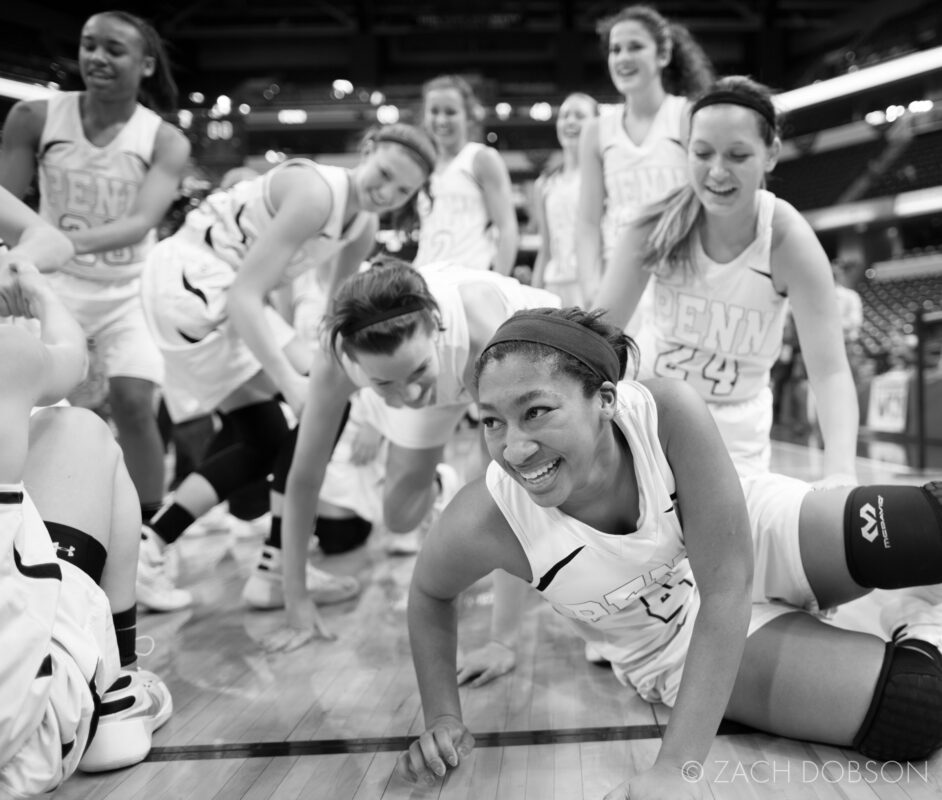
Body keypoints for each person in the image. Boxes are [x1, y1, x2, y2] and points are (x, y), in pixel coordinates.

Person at [395, 307, 942, 799]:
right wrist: (443, 713)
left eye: (536, 411)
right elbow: (428, 592)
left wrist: (678, 765)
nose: (513, 447)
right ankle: (919, 618)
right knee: (916, 711)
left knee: (928, 527)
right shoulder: (487, 516)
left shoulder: (666, 411)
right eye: (492, 420)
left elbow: (726, 586)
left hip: (741, 537)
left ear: (606, 400)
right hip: (669, 640)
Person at [136, 123, 436, 613]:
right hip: (194, 284)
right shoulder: (317, 194)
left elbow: (333, 318)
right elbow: (245, 296)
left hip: (207, 287)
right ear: (366, 150)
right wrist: (294, 385)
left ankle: (151, 546)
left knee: (263, 439)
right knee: (326, 398)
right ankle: (278, 568)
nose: (386, 192)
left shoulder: (359, 227)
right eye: (383, 174)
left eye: (402, 189)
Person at [269, 257, 560, 651]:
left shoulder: (484, 333)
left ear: (436, 326)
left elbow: (513, 486)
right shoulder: (333, 363)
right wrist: (296, 601)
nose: (406, 395)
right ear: (354, 363)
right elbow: (303, 478)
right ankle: (442, 486)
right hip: (446, 376)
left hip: (514, 360)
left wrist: (502, 642)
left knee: (512, 481)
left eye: (416, 371)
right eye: (383, 383)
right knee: (399, 518)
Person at [599, 75, 859, 483]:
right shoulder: (653, 225)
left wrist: (841, 473)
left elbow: (829, 372)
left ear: (770, 154)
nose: (717, 172)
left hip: (739, 434)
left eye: (738, 155)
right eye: (702, 153)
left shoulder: (787, 239)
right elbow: (599, 337)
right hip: (652, 416)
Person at [0, 199, 173, 793]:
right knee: (82, 430)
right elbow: (71, 362)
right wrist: (38, 293)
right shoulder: (11, 354)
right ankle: (114, 687)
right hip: (24, 728)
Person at [0, 10, 192, 533]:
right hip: (56, 289)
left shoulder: (164, 139)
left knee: (134, 403)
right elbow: (7, 202)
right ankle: (42, 530)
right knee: (50, 412)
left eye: (113, 49)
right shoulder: (34, 117)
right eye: (88, 45)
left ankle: (151, 541)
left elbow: (139, 224)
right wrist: (31, 253)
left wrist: (56, 243)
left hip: (131, 289)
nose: (97, 58)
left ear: (146, 64)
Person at [577, 4, 713, 313]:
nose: (623, 58)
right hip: (618, 278)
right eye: (615, 49)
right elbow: (587, 221)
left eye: (635, 47)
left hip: (681, 275)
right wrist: (590, 287)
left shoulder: (687, 115)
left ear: (663, 55)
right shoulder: (596, 131)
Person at [413, 74, 519, 275]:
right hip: (425, 279)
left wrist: (498, 282)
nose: (441, 120)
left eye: (451, 112)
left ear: (469, 116)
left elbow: (507, 228)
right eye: (434, 111)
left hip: (470, 279)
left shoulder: (481, 158)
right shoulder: (423, 165)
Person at [530, 92, 599, 307]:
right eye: (564, 115)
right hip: (554, 285)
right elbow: (546, 246)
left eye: (579, 115)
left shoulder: (604, 176)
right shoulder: (545, 183)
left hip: (591, 282)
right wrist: (533, 295)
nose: (570, 121)